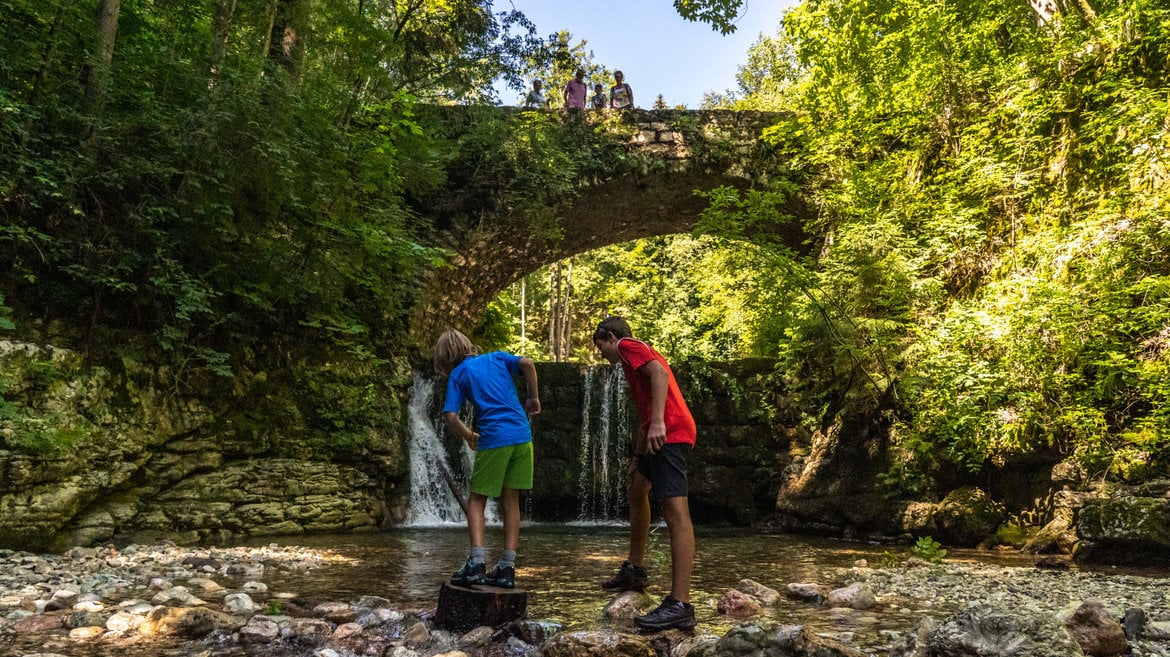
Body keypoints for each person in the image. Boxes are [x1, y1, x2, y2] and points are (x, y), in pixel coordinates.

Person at [592, 316, 696, 631]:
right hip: (657, 434)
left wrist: (660, 423)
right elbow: (644, 412)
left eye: (600, 348)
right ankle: (634, 571)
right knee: (637, 489)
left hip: (671, 432)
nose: (602, 355)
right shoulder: (628, 363)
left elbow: (660, 374)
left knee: (675, 510)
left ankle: (680, 604)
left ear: (610, 337)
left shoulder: (628, 346)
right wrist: (638, 456)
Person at [434, 328, 541, 589]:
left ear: (445, 358)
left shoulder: (458, 375)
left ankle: (477, 563)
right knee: (511, 500)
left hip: (494, 439)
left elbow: (450, 416)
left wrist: (468, 434)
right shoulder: (496, 357)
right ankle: (507, 567)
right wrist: (533, 397)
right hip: (522, 436)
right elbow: (527, 363)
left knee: (477, 500)